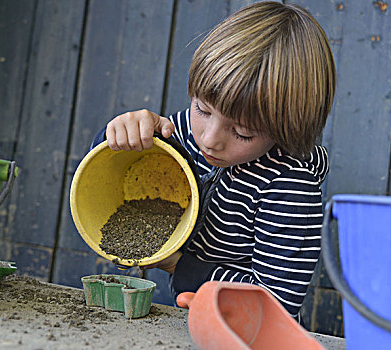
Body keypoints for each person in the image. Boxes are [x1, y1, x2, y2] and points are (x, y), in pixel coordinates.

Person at [91, 1, 336, 320]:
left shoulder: (289, 188)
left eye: (243, 132)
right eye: (202, 110)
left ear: (288, 128)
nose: (208, 139)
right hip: (187, 321)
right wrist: (118, 137)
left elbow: (276, 306)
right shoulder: (179, 132)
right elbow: (100, 175)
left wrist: (177, 264)